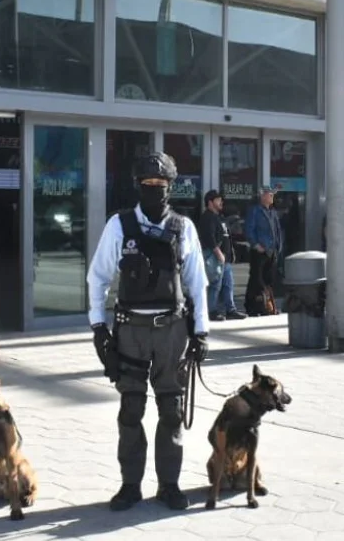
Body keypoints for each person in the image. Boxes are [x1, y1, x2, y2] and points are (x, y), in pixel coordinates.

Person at [87, 152, 210, 512]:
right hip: (130, 331)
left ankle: (169, 485)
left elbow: (197, 282)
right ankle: (130, 485)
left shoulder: (183, 227)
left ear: (170, 187)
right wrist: (98, 326)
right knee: (130, 408)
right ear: (137, 185)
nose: (154, 190)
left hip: (171, 330)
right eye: (147, 184)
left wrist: (201, 332)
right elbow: (98, 277)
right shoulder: (118, 225)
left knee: (171, 409)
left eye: (160, 185)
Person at [198, 190, 245, 321]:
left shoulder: (219, 217)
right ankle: (211, 311)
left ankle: (231, 310)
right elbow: (209, 238)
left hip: (226, 258)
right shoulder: (207, 217)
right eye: (218, 200)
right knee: (215, 285)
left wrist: (231, 253)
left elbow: (227, 237)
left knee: (228, 284)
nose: (221, 202)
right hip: (215, 257)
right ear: (210, 202)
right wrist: (218, 253)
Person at [244, 186, 283, 316]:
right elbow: (249, 230)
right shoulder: (255, 211)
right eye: (270, 194)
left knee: (269, 280)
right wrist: (255, 245)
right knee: (256, 280)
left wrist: (278, 247)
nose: (272, 197)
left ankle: (267, 307)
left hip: (271, 251)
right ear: (263, 196)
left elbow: (277, 231)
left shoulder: (273, 212)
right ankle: (253, 308)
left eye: (273, 195)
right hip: (260, 251)